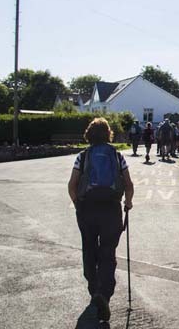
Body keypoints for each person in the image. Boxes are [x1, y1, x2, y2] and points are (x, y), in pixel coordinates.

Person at [68, 117, 134, 324]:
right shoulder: (117, 156)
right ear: (108, 134)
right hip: (111, 209)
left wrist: (78, 204)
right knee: (107, 252)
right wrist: (128, 203)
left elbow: (72, 185)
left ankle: (94, 290)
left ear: (89, 134)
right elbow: (129, 184)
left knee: (89, 249)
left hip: (87, 208)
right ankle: (104, 294)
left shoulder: (83, 156)